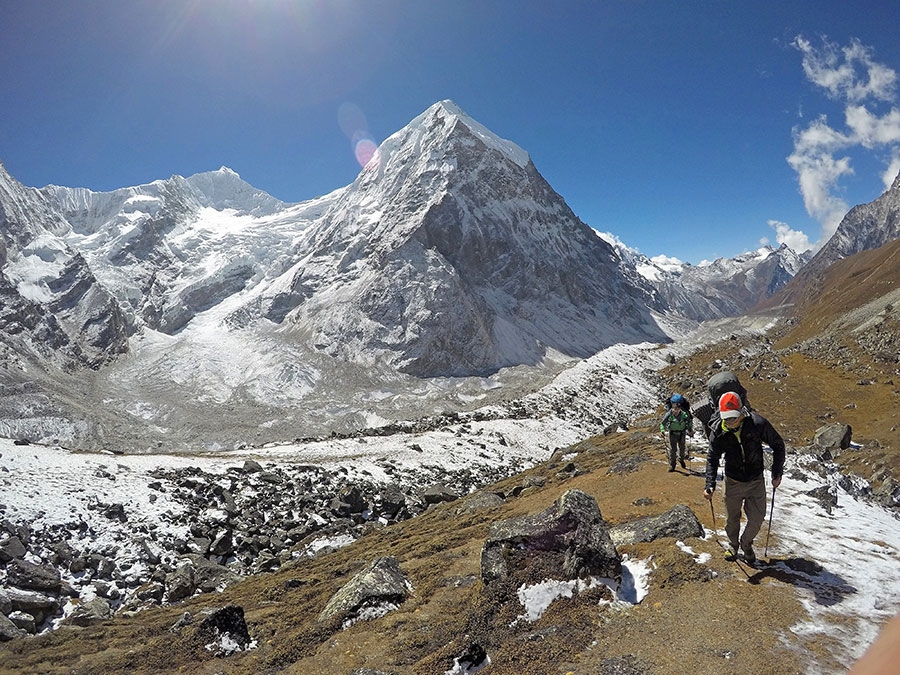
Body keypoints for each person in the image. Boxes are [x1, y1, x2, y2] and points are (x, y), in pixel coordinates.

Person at [703, 391, 785, 562]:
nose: (730, 421)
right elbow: (712, 458)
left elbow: (778, 444)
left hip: (756, 481)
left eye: (733, 417)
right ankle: (733, 546)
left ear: (741, 411)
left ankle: (746, 543)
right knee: (732, 519)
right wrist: (709, 484)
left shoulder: (757, 423)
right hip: (732, 482)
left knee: (757, 518)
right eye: (727, 418)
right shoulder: (718, 430)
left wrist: (777, 472)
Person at [660, 400, 693, 472]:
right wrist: (662, 430)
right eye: (675, 409)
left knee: (682, 448)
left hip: (682, 433)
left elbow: (689, 422)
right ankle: (673, 465)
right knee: (673, 450)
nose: (676, 411)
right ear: (672, 409)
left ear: (680, 409)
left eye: (677, 409)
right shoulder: (669, 414)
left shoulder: (684, 415)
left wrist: (690, 430)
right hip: (672, 434)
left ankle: (681, 460)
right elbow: (663, 423)